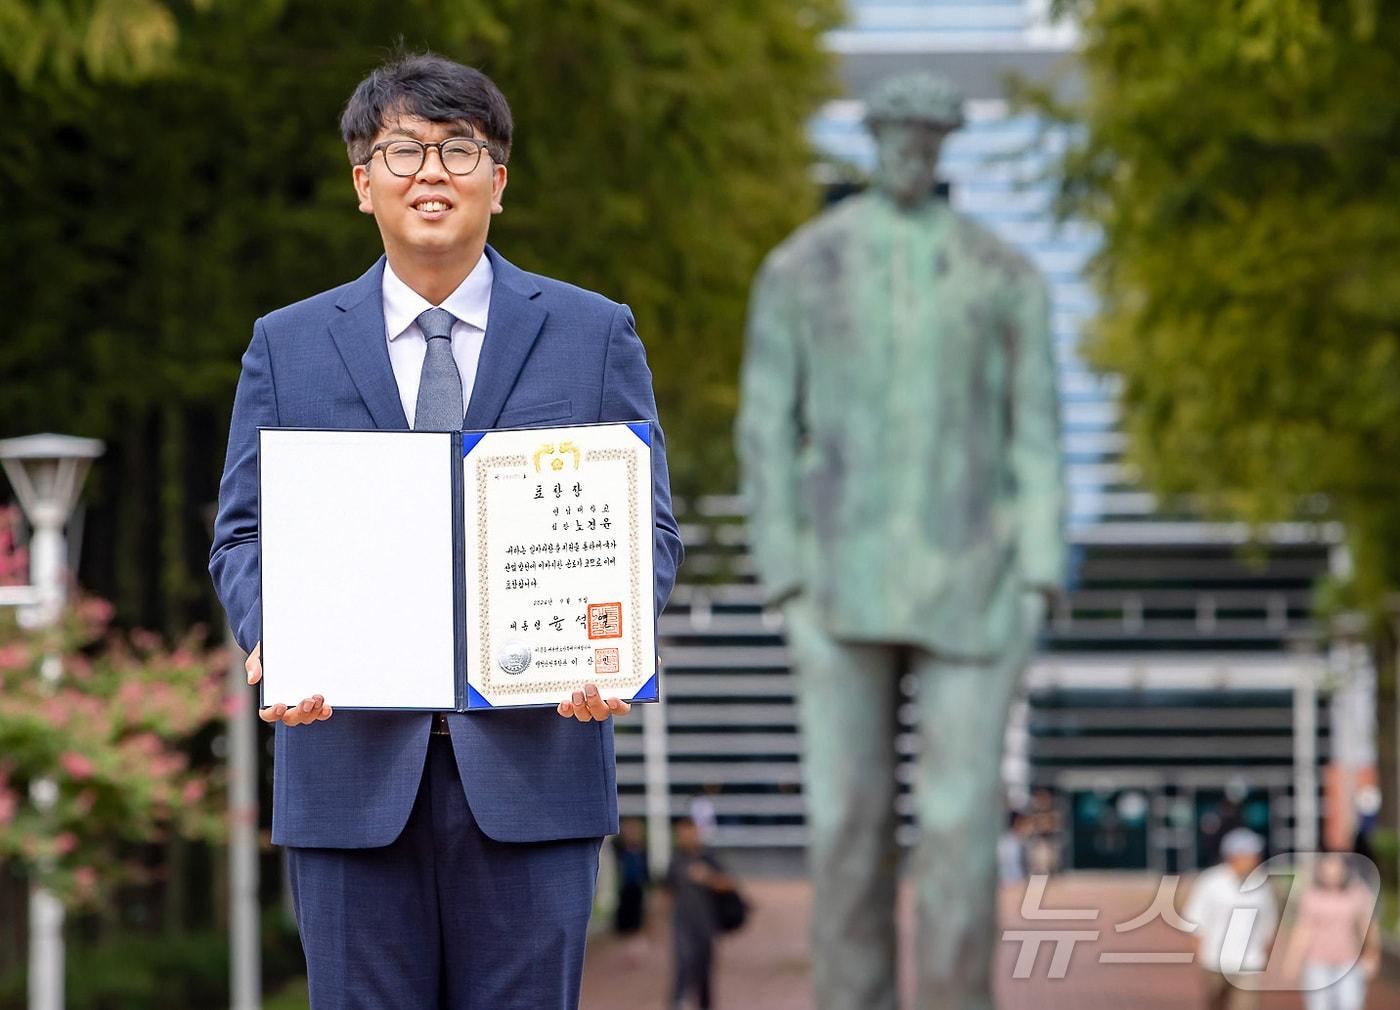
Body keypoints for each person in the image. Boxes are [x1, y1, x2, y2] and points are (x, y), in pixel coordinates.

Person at [208, 52, 684, 1010]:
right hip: (346, 768)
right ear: (362, 183)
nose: (432, 173)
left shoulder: (594, 335)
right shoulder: (287, 345)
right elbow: (243, 533)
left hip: (538, 766)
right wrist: (275, 638)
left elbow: (647, 527)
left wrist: (613, 635)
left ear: (498, 183)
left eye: (459, 150)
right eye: (403, 151)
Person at [735, 73, 1065, 1010]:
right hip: (837, 584)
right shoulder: (801, 270)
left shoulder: (1006, 275)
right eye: (897, 134)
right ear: (872, 139)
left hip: (977, 581)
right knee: (846, 824)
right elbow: (765, 429)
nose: (912, 152)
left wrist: (1040, 572)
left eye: (930, 136)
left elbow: (1036, 432)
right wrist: (786, 578)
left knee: (961, 833)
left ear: (947, 144)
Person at [1183, 828, 1279, 1010]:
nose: (1256, 859)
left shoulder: (1262, 884)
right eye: (1250, 854)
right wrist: (1202, 956)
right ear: (1234, 855)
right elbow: (1195, 921)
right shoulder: (1210, 882)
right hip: (1214, 961)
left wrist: (1263, 954)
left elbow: (1270, 922)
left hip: (1249, 962)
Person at [1281, 852, 1381, 1010]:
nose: (1331, 874)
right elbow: (1303, 930)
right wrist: (1292, 960)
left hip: (1348, 960)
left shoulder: (1357, 892)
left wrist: (1372, 953)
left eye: (1336, 868)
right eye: (1327, 869)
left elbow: (1367, 925)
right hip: (1317, 961)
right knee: (1319, 1005)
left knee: (1350, 1004)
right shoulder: (1312, 896)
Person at [665, 817, 735, 1010]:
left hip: (706, 924)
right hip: (682, 924)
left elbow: (728, 884)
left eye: (690, 832)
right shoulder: (675, 860)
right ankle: (677, 1003)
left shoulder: (708, 858)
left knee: (705, 970)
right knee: (684, 963)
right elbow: (667, 892)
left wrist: (706, 877)